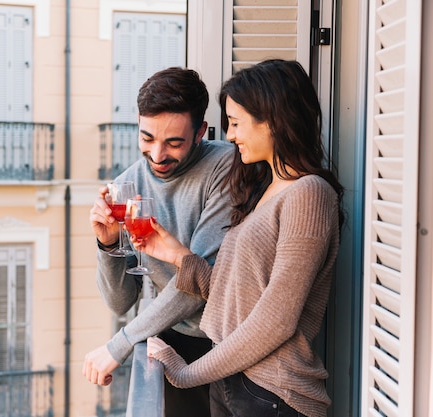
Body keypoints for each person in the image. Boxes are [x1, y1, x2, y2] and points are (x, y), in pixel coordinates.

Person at [135, 59, 344, 417]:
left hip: (274, 393)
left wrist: (186, 374)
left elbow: (276, 320)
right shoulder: (263, 190)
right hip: (236, 383)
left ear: (274, 120)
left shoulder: (310, 194)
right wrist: (177, 256)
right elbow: (239, 295)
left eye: (235, 123)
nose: (230, 136)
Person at [82, 67, 235, 417]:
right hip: (172, 344)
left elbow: (197, 280)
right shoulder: (127, 184)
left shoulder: (225, 167)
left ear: (201, 133)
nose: (157, 155)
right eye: (147, 138)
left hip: (227, 343)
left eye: (174, 142)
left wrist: (118, 344)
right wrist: (107, 246)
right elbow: (120, 302)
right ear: (138, 122)